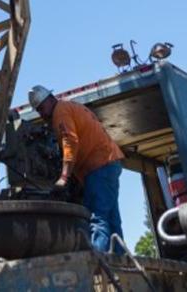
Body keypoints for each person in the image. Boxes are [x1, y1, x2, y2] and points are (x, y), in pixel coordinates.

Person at [29, 84, 124, 252]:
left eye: (42, 108)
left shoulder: (60, 111)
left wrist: (64, 177)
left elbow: (70, 141)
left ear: (50, 100)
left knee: (97, 217)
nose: (41, 114)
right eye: (38, 111)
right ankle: (121, 260)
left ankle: (97, 262)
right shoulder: (71, 106)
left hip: (99, 166)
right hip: (109, 162)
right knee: (111, 218)